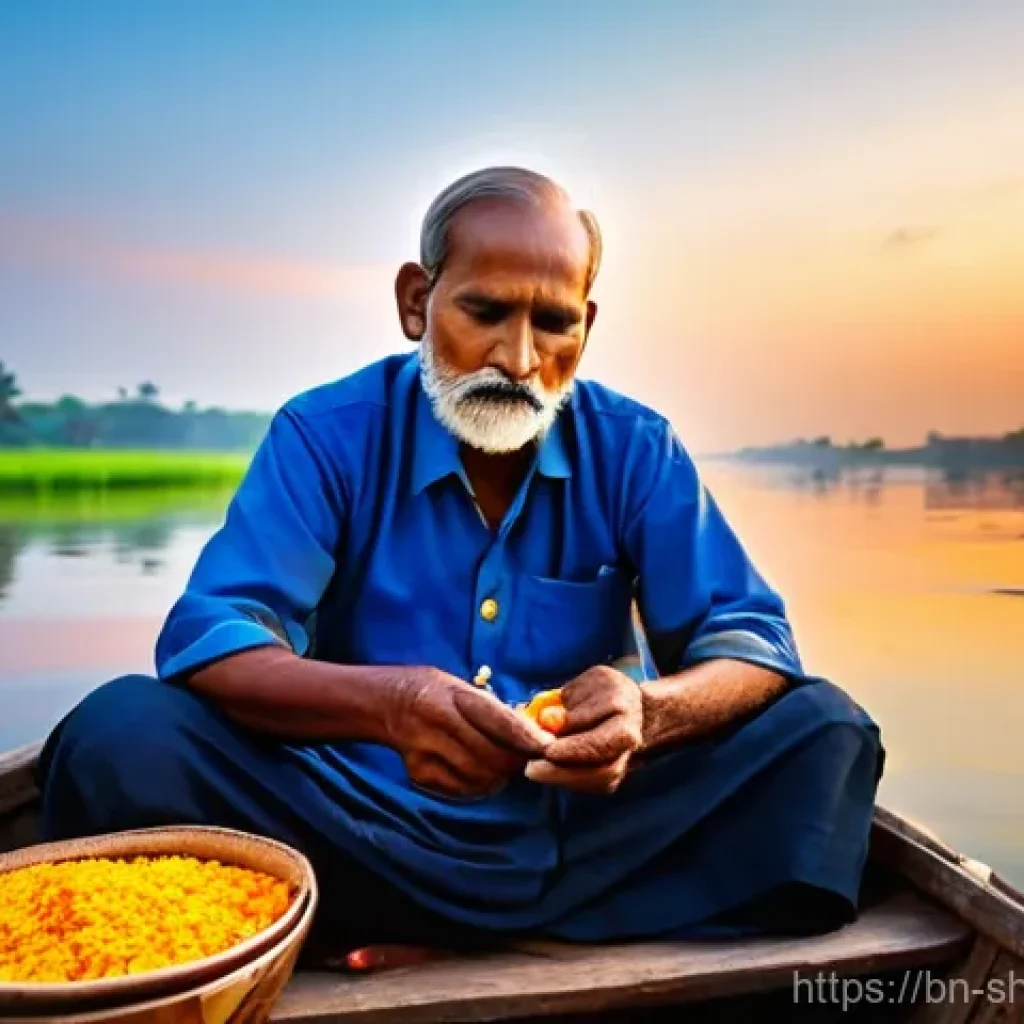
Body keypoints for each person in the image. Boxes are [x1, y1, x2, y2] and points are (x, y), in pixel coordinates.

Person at [36, 166, 884, 968]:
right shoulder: (326, 434)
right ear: (417, 301)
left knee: (825, 732)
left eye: (554, 323)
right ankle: (546, 930)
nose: (518, 360)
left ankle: (385, 926)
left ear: (587, 329)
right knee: (119, 735)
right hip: (347, 815)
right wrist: (390, 707)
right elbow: (215, 638)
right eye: (485, 312)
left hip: (575, 826)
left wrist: (647, 710)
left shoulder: (636, 449)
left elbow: (750, 639)